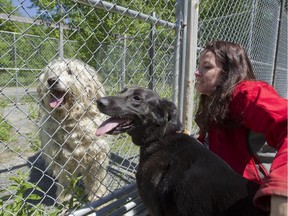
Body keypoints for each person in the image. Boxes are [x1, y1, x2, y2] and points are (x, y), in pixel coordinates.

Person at [194, 40, 287, 216]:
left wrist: (280, 189)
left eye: (206, 67)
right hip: (223, 197)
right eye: (199, 66)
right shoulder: (215, 100)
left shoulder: (245, 94)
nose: (197, 72)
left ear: (228, 73)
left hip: (251, 202)